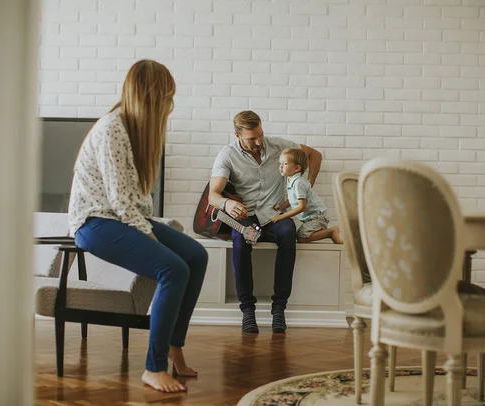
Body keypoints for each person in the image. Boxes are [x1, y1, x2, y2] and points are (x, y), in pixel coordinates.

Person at [68, 60, 208, 393]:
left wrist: (151, 227)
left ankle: (175, 344)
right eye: (167, 98)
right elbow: (119, 202)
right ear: (150, 96)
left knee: (196, 256)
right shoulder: (112, 128)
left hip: (120, 217)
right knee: (173, 269)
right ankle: (153, 367)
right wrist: (150, 236)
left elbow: (135, 202)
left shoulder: (135, 132)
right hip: (94, 221)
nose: (170, 106)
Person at [209, 110, 322, 334]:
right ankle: (247, 310)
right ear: (237, 135)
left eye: (261, 134)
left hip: (275, 214)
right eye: (252, 138)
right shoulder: (227, 155)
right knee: (240, 241)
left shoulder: (281, 146)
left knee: (289, 233)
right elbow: (214, 194)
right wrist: (226, 204)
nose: (259, 142)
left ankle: (279, 308)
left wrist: (304, 187)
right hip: (246, 215)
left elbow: (314, 155)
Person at [272, 148, 343, 244]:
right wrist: (281, 207)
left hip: (317, 216)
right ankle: (329, 232)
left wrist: (282, 216)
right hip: (312, 216)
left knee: (301, 237)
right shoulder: (291, 180)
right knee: (301, 236)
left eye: (285, 164)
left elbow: (301, 207)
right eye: (280, 163)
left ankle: (331, 232)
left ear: (297, 168)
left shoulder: (298, 184)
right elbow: (293, 199)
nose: (280, 166)